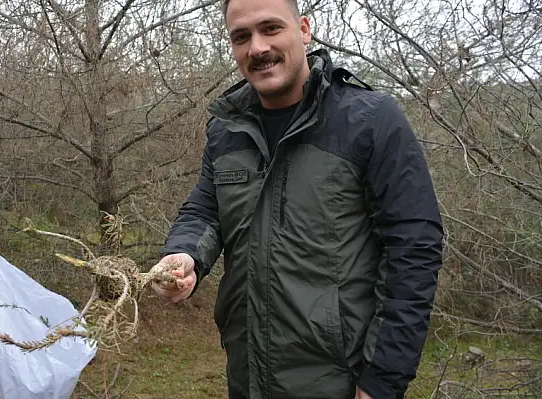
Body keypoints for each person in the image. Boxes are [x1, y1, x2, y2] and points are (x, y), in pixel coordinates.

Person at [149, 0, 444, 398]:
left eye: (270, 28)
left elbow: (414, 249)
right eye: (241, 36)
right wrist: (184, 255)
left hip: (338, 381)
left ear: (303, 30)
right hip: (247, 375)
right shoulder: (226, 128)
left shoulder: (370, 120)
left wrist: (383, 379)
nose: (256, 47)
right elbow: (206, 210)